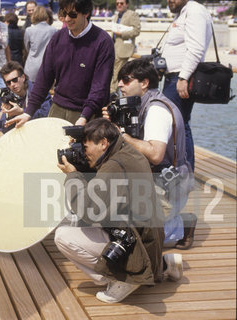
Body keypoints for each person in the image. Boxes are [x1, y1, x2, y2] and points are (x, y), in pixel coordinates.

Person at [55, 118, 183, 303]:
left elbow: (88, 211)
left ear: (103, 143)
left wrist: (73, 176)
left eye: (86, 147)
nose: (84, 152)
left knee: (63, 235)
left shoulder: (114, 165)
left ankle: (123, 279)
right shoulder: (127, 152)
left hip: (135, 243)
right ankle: (162, 265)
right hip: (148, 240)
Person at [105, 58, 196, 249]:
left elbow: (155, 154)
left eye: (126, 80)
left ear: (144, 83)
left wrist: (121, 135)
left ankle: (181, 227)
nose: (120, 84)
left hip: (169, 187)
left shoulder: (156, 110)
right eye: (120, 79)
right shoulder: (142, 103)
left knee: (141, 241)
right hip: (157, 181)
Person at [6, 0, 114, 128]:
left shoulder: (103, 41)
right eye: (64, 13)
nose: (67, 19)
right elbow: (44, 78)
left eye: (73, 14)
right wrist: (28, 112)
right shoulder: (57, 38)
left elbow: (100, 87)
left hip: (87, 114)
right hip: (57, 109)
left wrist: (84, 117)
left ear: (86, 13)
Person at [161, 0, 212, 172]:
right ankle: (180, 167)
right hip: (174, 77)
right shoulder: (183, 13)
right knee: (177, 124)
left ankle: (185, 170)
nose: (170, 0)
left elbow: (196, 49)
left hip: (180, 78)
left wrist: (183, 77)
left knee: (178, 124)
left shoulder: (194, 11)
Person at [0, 61, 50, 132]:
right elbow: (3, 128)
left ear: (23, 77)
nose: (12, 84)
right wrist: (9, 115)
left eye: (15, 80)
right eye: (8, 82)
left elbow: (47, 114)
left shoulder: (39, 90)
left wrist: (22, 112)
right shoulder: (10, 97)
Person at [110, 0, 140, 93]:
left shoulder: (132, 15)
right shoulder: (116, 16)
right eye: (117, 3)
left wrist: (122, 33)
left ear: (127, 4)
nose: (119, 5)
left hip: (123, 50)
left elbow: (136, 31)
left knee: (116, 75)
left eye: (121, 3)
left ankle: (112, 95)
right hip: (114, 48)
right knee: (113, 73)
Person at [23, 5, 57, 82]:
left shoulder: (29, 30)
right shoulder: (53, 30)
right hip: (48, 66)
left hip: (31, 67)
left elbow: (27, 47)